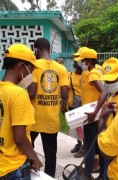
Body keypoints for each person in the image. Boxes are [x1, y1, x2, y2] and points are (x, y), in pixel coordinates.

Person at [0, 44, 43, 180]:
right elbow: (20, 138)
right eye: (31, 69)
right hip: (12, 168)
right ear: (22, 66)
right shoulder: (18, 94)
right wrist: (34, 158)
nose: (31, 74)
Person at [28, 38, 69, 178]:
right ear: (49, 50)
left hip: (33, 119)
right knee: (50, 154)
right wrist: (63, 105)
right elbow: (65, 94)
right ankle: (50, 177)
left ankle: (30, 174)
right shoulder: (61, 68)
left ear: (36, 50)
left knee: (28, 149)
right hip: (52, 120)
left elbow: (32, 94)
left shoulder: (34, 66)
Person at [74, 47, 107, 175]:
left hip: (92, 116)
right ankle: (102, 175)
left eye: (81, 60)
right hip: (93, 115)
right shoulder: (90, 72)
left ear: (88, 61)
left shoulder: (93, 73)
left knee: (90, 148)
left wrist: (94, 112)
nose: (79, 63)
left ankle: (86, 174)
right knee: (97, 146)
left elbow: (103, 92)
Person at [68, 61, 85, 157]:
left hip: (84, 104)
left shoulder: (86, 75)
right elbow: (66, 88)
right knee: (76, 126)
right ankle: (79, 144)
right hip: (73, 104)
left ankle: (84, 146)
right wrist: (63, 104)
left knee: (84, 126)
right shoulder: (69, 75)